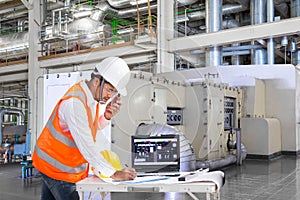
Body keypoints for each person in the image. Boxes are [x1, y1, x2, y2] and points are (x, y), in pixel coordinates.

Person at [32, 57, 137, 200]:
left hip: (52, 165)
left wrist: (106, 116)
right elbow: (87, 145)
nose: (110, 96)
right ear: (96, 81)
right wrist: (114, 173)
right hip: (59, 170)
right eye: (109, 90)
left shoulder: (90, 98)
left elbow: (91, 128)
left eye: (114, 92)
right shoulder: (75, 103)